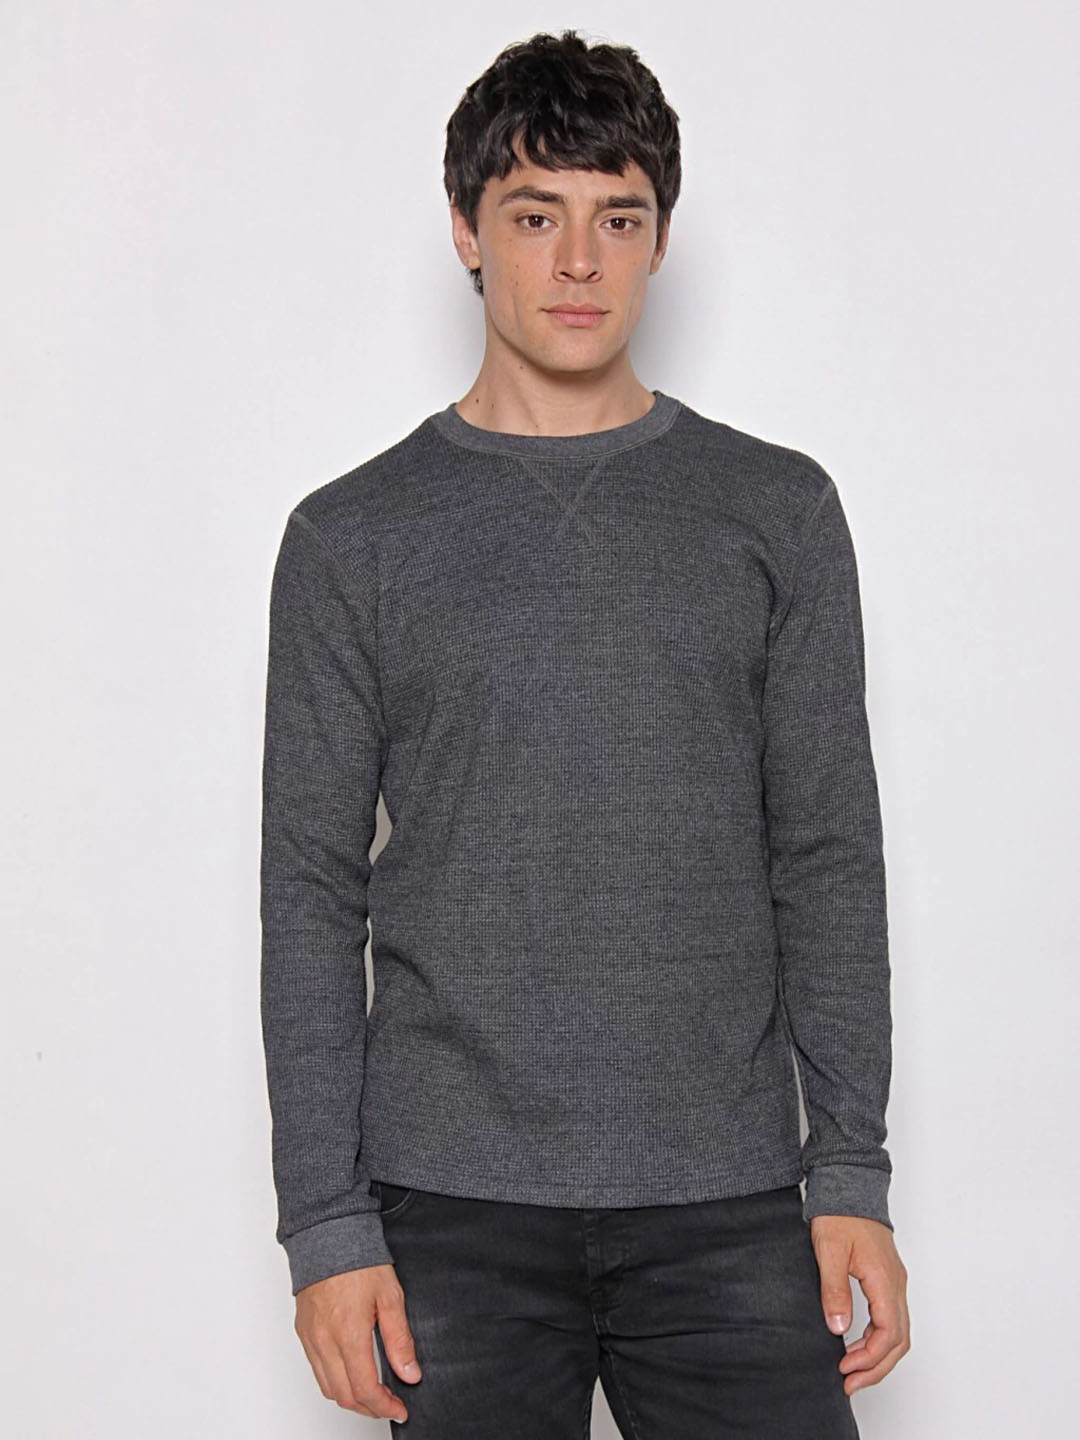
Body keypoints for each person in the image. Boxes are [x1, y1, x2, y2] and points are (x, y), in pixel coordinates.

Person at [259, 27, 910, 1438]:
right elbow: (308, 894)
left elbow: (826, 855)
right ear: (465, 231)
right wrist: (325, 1224)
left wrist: (851, 1172)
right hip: (449, 1209)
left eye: (617, 219)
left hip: (734, 1197)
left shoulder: (777, 511)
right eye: (533, 216)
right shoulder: (351, 539)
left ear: (659, 240)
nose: (576, 262)